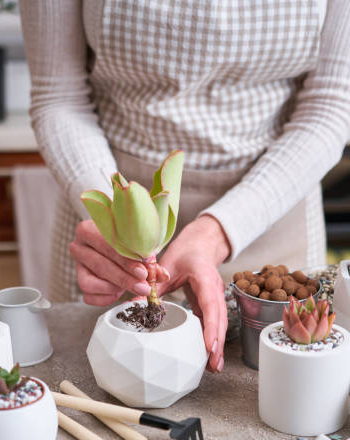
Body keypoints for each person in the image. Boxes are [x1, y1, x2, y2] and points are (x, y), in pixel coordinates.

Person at [19, 0, 350, 373]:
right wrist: (120, 218)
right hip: (116, 222)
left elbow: (331, 104)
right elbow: (59, 97)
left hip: (272, 209)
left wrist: (215, 234)